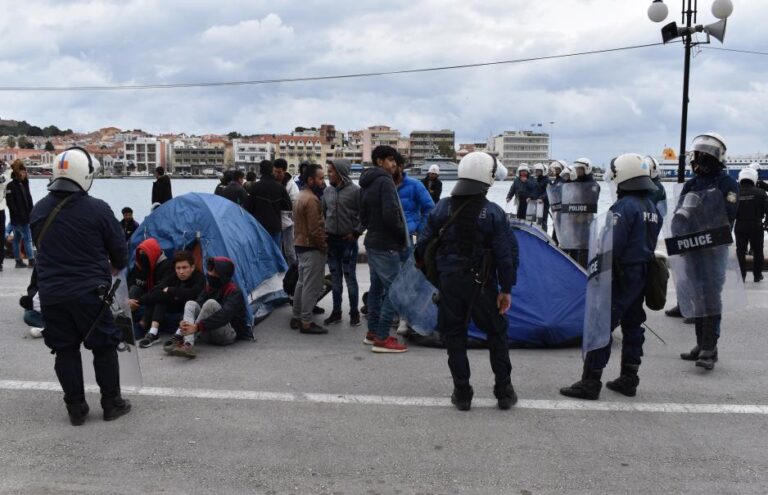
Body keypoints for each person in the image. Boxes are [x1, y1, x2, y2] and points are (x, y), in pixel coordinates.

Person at [30, 146, 131, 425]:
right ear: (85, 175)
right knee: (104, 346)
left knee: (64, 349)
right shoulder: (98, 209)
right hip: (90, 293)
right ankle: (112, 403)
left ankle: (75, 408)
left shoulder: (38, 210)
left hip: (52, 294)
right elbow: (120, 254)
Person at [416, 152, 519, 411]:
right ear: (488, 178)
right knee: (496, 333)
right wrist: (506, 289)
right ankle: (504, 391)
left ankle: (462, 393)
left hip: (449, 284)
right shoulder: (493, 213)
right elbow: (507, 257)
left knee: (454, 336)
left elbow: (422, 248)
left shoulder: (441, 207)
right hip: (483, 285)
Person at [560, 153, 662, 400]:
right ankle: (629, 377)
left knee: (601, 325)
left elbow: (611, 245)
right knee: (633, 324)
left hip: (621, 273)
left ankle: (590, 381)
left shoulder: (623, 208)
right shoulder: (651, 206)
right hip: (642, 272)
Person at [675, 133, 739, 371]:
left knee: (710, 296)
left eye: (705, 154)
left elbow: (729, 215)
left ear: (716, 157)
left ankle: (709, 348)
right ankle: (700, 343)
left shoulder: (727, 183)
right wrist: (678, 235)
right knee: (696, 295)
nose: (700, 158)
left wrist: (701, 217)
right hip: (692, 248)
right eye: (698, 154)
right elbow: (679, 213)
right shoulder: (692, 184)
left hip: (714, 249)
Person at [359, 145, 409, 353]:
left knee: (377, 287)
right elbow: (391, 215)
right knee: (395, 289)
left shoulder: (366, 182)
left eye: (395, 161)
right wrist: (400, 237)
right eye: (390, 160)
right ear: (379, 161)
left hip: (372, 241)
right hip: (387, 244)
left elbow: (362, 215)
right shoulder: (386, 182)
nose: (394, 164)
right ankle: (382, 337)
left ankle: (372, 332)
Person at [167, 257, 247, 358]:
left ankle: (185, 341)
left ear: (221, 275)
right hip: (206, 332)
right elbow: (198, 303)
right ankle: (185, 341)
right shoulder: (209, 287)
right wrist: (182, 320)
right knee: (191, 303)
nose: (209, 275)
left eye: (212, 273)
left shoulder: (234, 292)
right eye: (208, 271)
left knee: (210, 303)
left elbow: (224, 316)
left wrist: (197, 327)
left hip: (227, 335)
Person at [322, 159, 362, 327]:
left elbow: (364, 215)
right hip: (332, 241)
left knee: (350, 278)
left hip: (348, 243)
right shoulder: (327, 191)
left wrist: (356, 232)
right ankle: (336, 312)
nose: (328, 174)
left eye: (331, 171)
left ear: (340, 173)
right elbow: (324, 212)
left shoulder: (356, 192)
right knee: (336, 279)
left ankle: (354, 313)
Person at [136, 250, 205, 348]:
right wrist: (138, 301)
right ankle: (153, 332)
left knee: (187, 302)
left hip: (189, 311)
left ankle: (179, 334)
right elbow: (157, 289)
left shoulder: (200, 278)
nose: (181, 272)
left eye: (184, 267)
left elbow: (192, 294)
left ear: (192, 267)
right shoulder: (174, 276)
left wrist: (170, 290)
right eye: (178, 268)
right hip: (174, 306)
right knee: (161, 297)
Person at [291, 163, 329, 335]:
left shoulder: (300, 195)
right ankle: (306, 321)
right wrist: (323, 247)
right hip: (310, 245)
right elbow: (315, 229)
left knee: (301, 283)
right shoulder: (312, 199)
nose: (323, 181)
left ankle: (297, 316)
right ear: (310, 179)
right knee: (311, 286)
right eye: (320, 178)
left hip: (299, 244)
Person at [559, 158, 600, 268]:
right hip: (573, 221)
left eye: (580, 169)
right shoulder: (574, 183)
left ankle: (583, 270)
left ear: (587, 169)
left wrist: (581, 216)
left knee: (584, 249)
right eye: (576, 169)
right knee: (573, 247)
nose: (577, 171)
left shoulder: (593, 185)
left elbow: (591, 204)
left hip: (586, 222)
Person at [245, 160, 292, 247]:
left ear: (260, 171)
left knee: (261, 254)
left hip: (259, 227)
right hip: (275, 226)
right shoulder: (280, 187)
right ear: (271, 170)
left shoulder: (255, 187)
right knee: (276, 254)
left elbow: (248, 208)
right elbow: (288, 207)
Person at [734, 167, 766, 282]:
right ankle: (757, 275)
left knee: (740, 251)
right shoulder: (761, 192)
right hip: (756, 225)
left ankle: (742, 275)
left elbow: (729, 209)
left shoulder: (735, 193)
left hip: (740, 225)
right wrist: (766, 223)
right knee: (758, 251)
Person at [395, 155, 434, 241]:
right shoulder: (384, 185)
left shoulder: (415, 184)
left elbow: (430, 208)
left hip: (408, 235)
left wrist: (420, 228)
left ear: (400, 167)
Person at [128, 237, 172, 312]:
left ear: (152, 252)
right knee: (133, 289)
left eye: (145, 253)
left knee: (157, 297)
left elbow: (160, 289)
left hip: (154, 297)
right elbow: (130, 283)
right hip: (141, 296)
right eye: (141, 253)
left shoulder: (167, 266)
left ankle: (143, 322)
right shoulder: (140, 264)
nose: (142, 256)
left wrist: (138, 301)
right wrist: (127, 301)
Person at [6, 161, 35, 268]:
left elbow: (28, 199)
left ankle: (18, 261)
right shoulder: (11, 186)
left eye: (25, 172)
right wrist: (20, 215)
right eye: (23, 172)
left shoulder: (24, 184)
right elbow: (10, 204)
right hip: (19, 218)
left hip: (24, 217)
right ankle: (31, 260)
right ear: (18, 173)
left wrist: (32, 213)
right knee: (28, 238)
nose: (25, 174)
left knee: (17, 238)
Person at [273, 159, 299, 266]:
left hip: (288, 221)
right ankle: (280, 270)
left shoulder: (291, 185)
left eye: (279, 172)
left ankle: (294, 271)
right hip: (275, 220)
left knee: (289, 251)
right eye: (274, 171)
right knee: (276, 249)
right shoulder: (272, 182)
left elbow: (295, 203)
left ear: (284, 171)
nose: (276, 174)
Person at [530, 163, 549, 231]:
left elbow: (548, 192)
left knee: (543, 220)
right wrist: (530, 197)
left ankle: (544, 235)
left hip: (544, 204)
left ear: (543, 171)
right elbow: (534, 191)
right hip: (536, 203)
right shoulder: (536, 180)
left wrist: (541, 198)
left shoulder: (547, 180)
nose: (537, 172)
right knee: (536, 220)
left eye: (539, 170)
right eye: (536, 170)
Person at [0, 161, 12, 271]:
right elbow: (10, 171)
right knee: (1, 235)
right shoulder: (3, 178)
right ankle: (0, 262)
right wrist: (6, 164)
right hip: (1, 208)